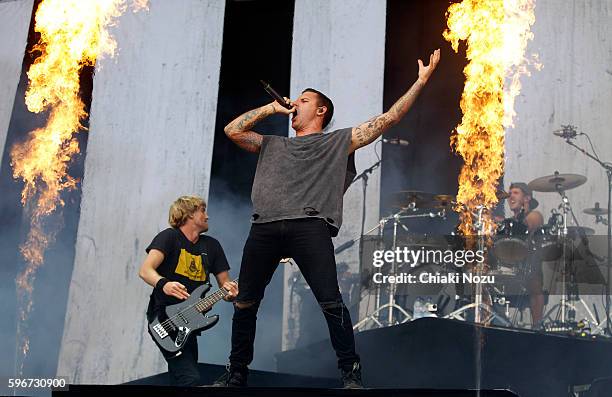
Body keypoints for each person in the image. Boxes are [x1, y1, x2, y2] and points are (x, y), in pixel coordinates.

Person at [212, 49, 440, 388]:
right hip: (264, 226)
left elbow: (389, 118)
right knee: (245, 302)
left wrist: (420, 81)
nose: (295, 104)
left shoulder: (337, 141)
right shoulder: (273, 144)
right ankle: (237, 372)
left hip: (309, 226)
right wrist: (271, 108)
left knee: (330, 301)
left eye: (303, 100)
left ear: (320, 110)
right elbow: (232, 130)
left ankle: (350, 371)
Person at [139, 195, 238, 386]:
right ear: (189, 214)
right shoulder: (169, 237)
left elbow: (226, 287)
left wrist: (231, 293)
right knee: (189, 378)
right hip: (163, 317)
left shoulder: (212, 246)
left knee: (181, 378)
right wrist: (164, 284)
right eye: (202, 210)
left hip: (189, 323)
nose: (207, 216)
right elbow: (145, 270)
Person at [506, 182, 545, 326]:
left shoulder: (535, 214)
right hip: (507, 264)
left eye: (515, 193)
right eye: (510, 194)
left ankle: (537, 327)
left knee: (534, 272)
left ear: (527, 198)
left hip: (528, 267)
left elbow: (529, 224)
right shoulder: (508, 222)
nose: (511, 196)